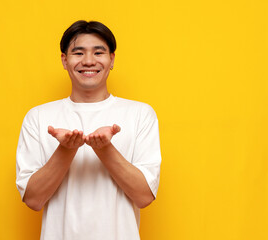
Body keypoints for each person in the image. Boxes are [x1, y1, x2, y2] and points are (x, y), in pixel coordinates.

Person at [16, 20, 162, 240]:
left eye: (98, 52)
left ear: (111, 59)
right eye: (78, 53)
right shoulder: (38, 118)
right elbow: (33, 200)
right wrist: (65, 150)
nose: (88, 61)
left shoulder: (140, 114)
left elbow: (144, 196)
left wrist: (105, 149)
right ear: (65, 60)